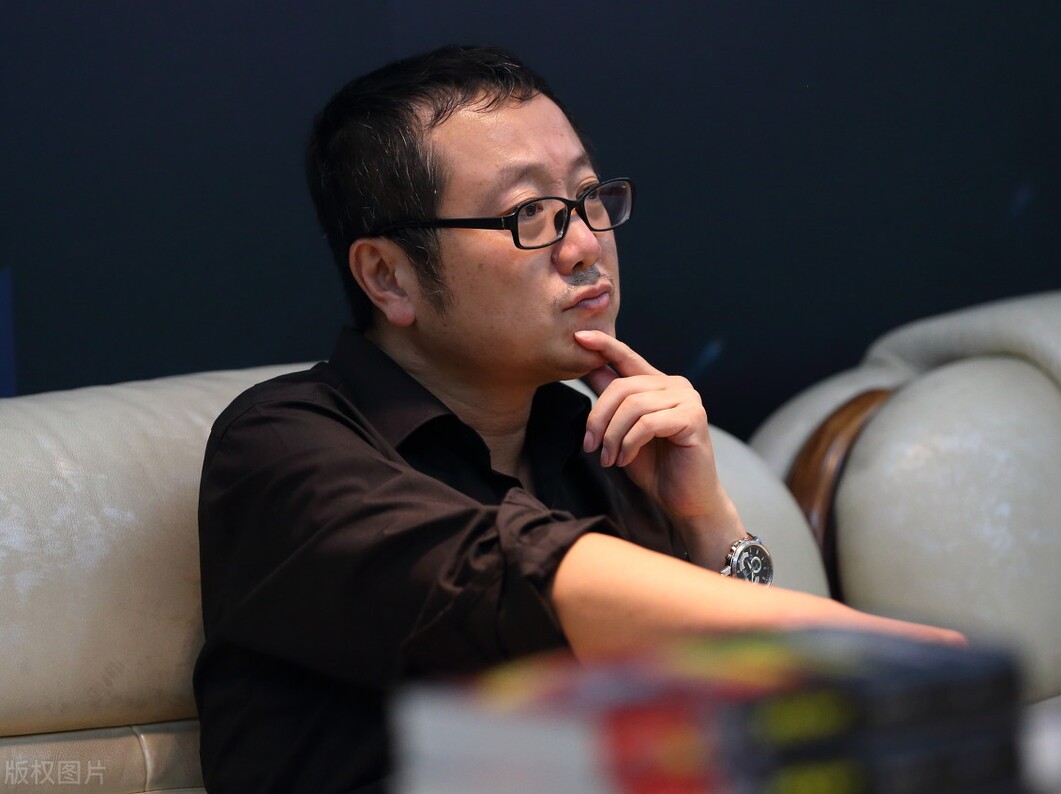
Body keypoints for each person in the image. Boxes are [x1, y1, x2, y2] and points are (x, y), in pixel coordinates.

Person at [192, 44, 963, 793]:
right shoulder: (282, 444)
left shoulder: (597, 442)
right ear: (389, 277)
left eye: (589, 198)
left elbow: (740, 721)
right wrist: (868, 653)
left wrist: (707, 522)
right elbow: (507, 573)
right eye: (529, 213)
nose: (588, 245)